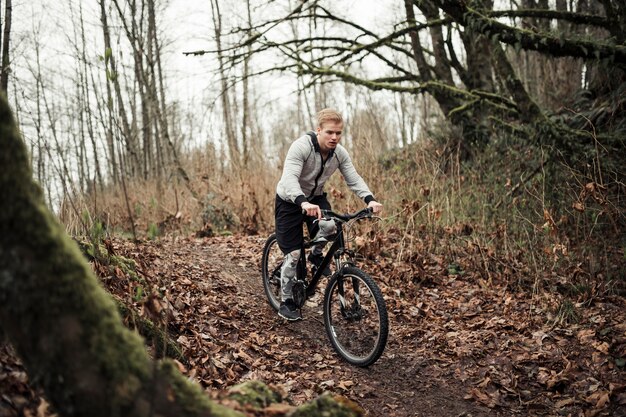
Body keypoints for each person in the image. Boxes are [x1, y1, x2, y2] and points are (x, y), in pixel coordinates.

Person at [274, 108, 383, 321]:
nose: (334, 137)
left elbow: (353, 178)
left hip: (315, 198)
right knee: (294, 254)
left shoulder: (339, 153)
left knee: (331, 226)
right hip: (289, 200)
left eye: (338, 133)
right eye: (330, 132)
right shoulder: (301, 147)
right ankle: (286, 301)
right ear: (318, 130)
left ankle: (316, 256)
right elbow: (289, 179)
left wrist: (369, 199)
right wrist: (301, 201)